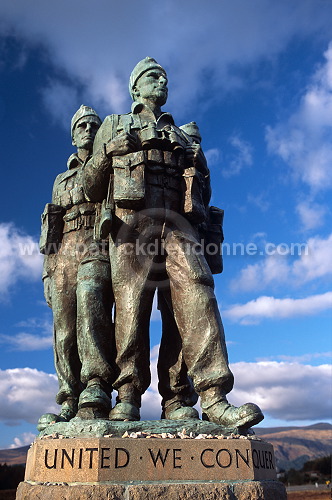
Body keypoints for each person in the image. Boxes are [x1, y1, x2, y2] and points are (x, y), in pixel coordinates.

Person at [83, 58, 263, 429]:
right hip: (132, 221)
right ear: (136, 88)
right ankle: (128, 394)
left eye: (164, 77)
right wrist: (108, 151)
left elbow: (203, 192)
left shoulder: (182, 134)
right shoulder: (115, 124)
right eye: (153, 77)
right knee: (133, 307)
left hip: (180, 224)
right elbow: (89, 186)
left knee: (196, 295)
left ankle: (202, 397)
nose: (161, 81)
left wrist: (202, 165)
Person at [39, 106, 114, 428]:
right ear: (72, 135)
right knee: (64, 328)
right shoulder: (61, 179)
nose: (86, 129)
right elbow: (50, 230)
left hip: (97, 242)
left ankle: (96, 385)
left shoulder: (107, 165)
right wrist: (47, 271)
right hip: (64, 253)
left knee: (91, 301)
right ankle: (69, 397)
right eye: (81, 125)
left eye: (92, 125)